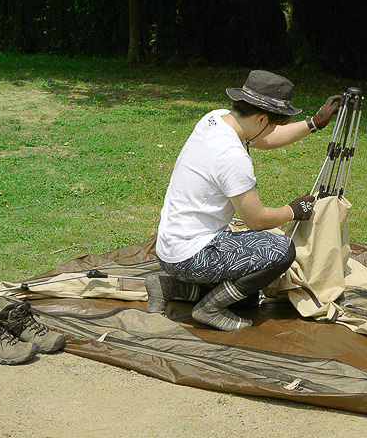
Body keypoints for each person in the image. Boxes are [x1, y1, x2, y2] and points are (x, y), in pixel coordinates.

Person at [146, 70, 341, 331]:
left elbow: (265, 138)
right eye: (274, 123)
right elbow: (256, 220)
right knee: (281, 251)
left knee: (246, 297)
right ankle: (209, 309)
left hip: (170, 246)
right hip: (192, 255)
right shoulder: (232, 157)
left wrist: (313, 123)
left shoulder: (215, 119)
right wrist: (294, 210)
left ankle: (168, 286)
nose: (274, 129)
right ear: (261, 118)